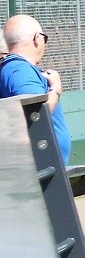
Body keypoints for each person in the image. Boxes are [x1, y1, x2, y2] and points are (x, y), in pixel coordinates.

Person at [1, 13, 71, 163]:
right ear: (36, 38)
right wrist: (56, 89)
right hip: (42, 170)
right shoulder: (20, 70)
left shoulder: (17, 69)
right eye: (44, 39)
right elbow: (37, 112)